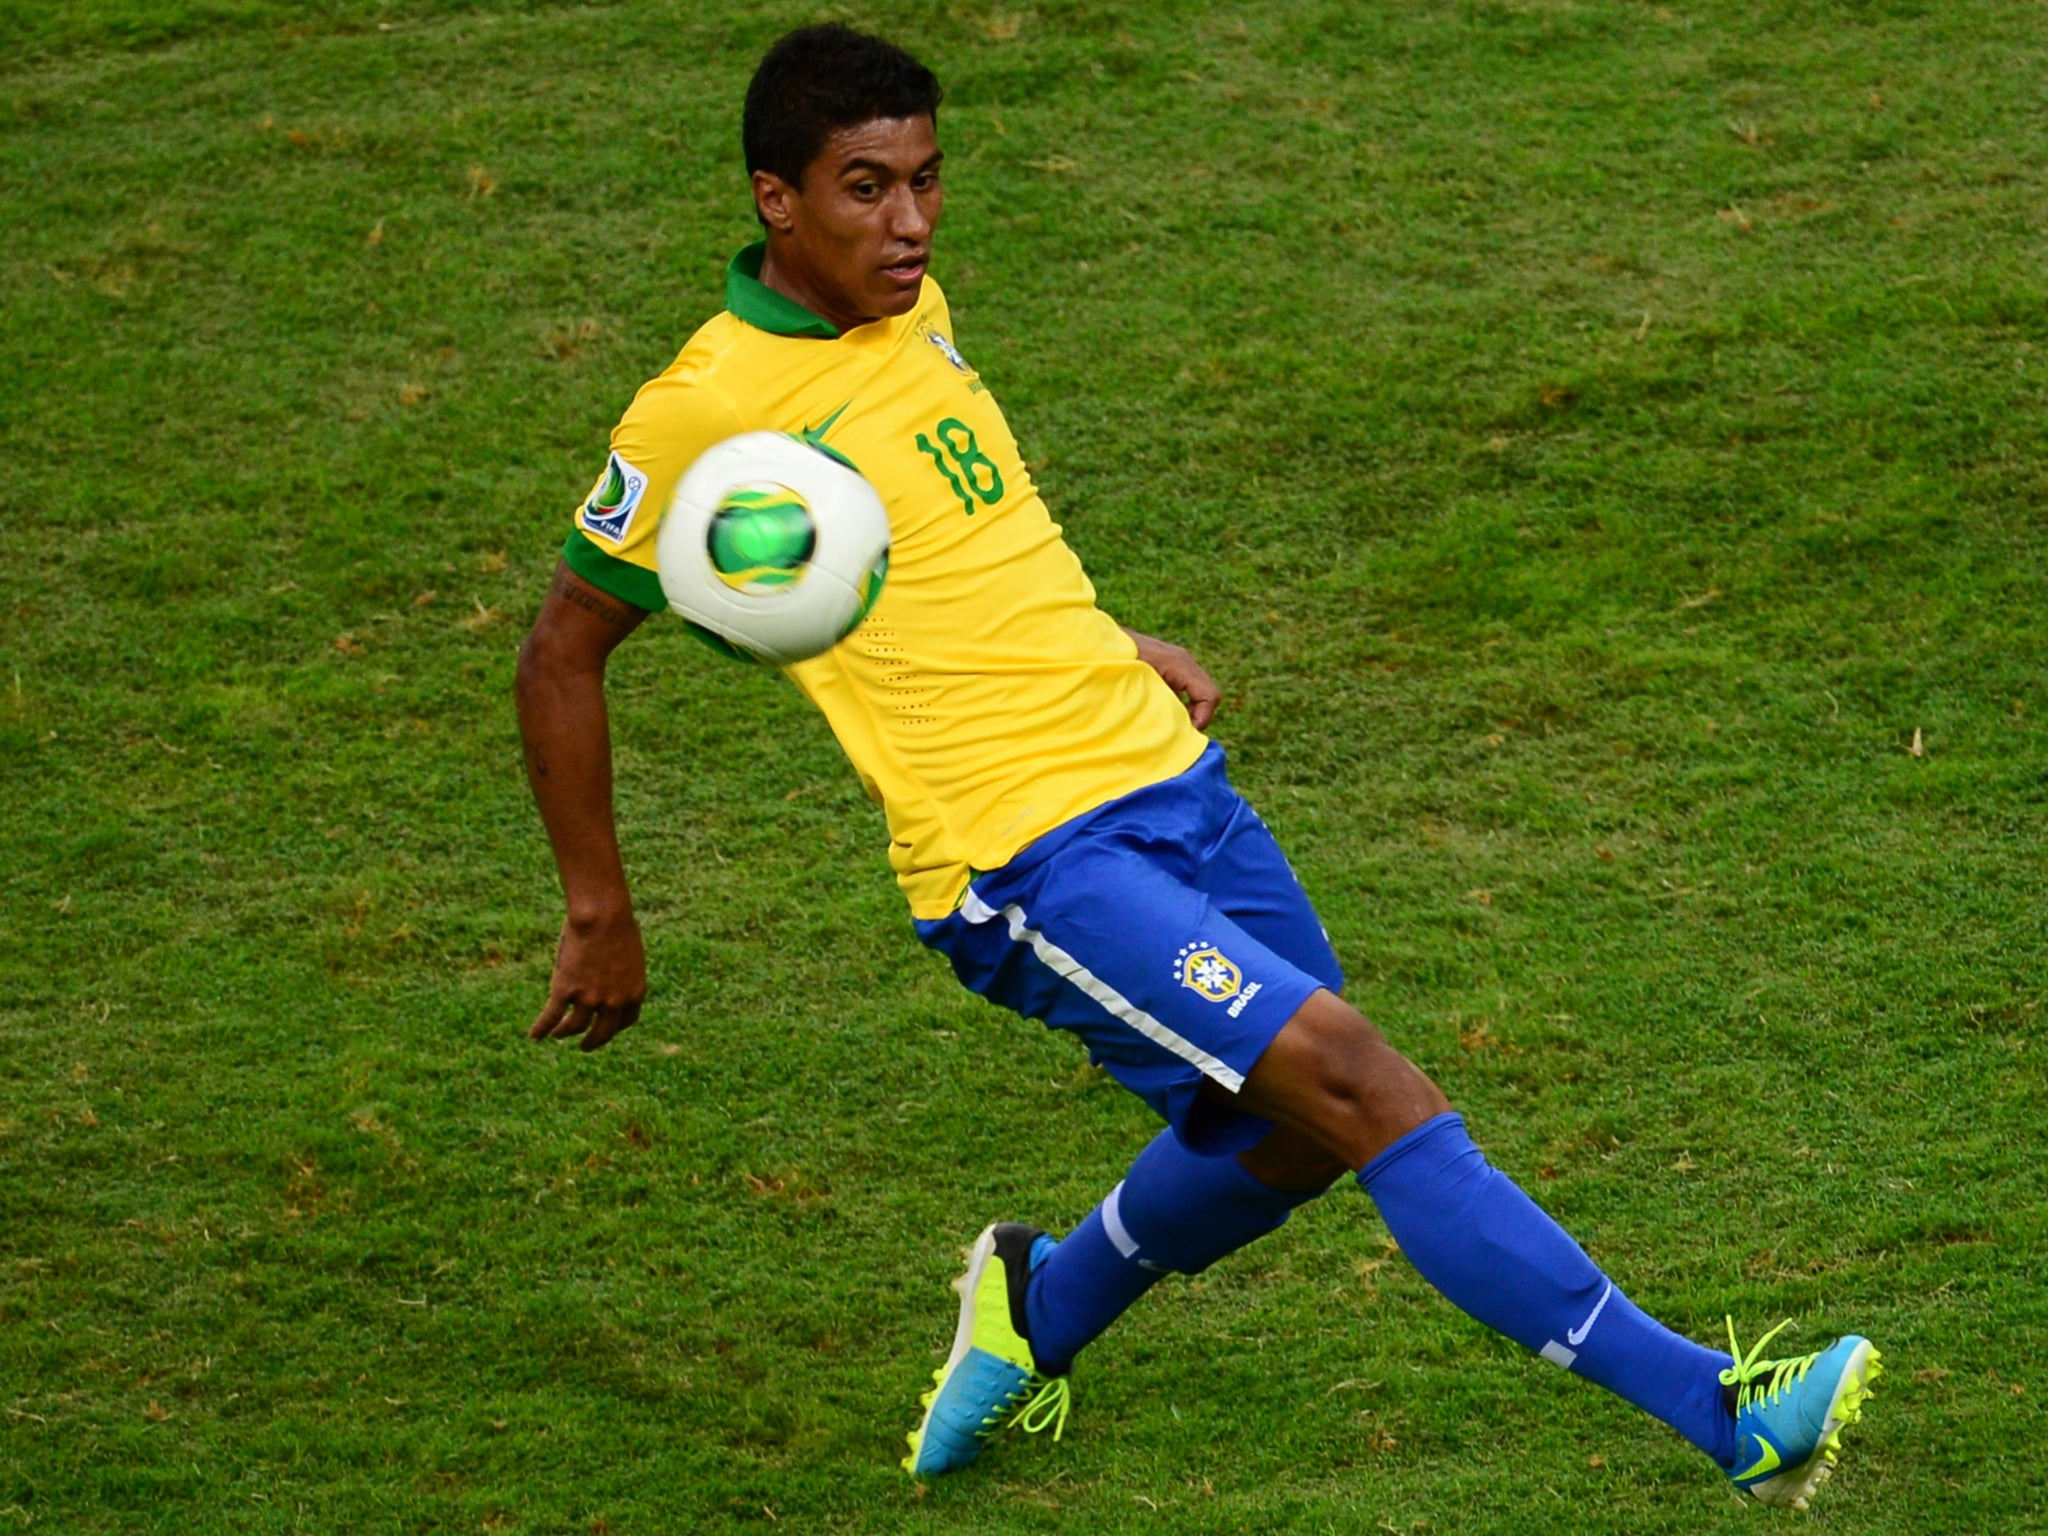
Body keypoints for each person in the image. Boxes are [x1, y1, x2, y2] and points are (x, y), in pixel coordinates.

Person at [514, 21, 1879, 1508]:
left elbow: (974, 533)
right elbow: (561, 651)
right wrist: (600, 903)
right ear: (776, 199)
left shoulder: (910, 311)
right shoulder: (707, 415)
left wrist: (1108, 639)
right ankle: (1727, 1412)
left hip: (1163, 775)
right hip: (1025, 856)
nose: (906, 226)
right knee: (1362, 1087)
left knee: (1289, 1138)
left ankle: (1034, 1312)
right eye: (862, 190)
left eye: (924, 183)